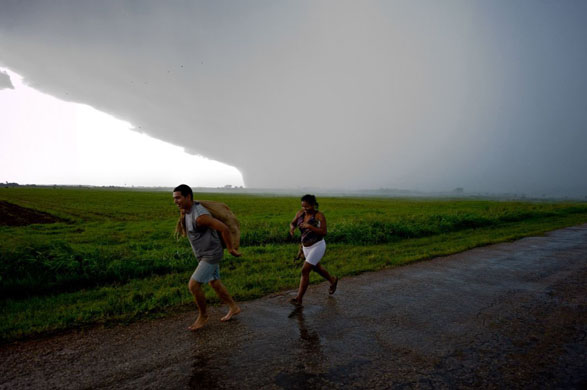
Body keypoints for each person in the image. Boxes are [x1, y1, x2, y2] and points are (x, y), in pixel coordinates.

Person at [173, 184, 242, 331]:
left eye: (178, 198)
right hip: (203, 254)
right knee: (214, 282)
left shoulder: (200, 217)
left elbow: (224, 228)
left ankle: (203, 315)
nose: (175, 201)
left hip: (211, 255)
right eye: (174, 198)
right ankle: (233, 307)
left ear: (188, 197)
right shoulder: (186, 211)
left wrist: (230, 249)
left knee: (193, 285)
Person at [289, 194, 338, 306]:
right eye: (303, 206)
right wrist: (292, 229)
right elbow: (292, 223)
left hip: (317, 246)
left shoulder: (319, 216)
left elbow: (324, 232)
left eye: (307, 207)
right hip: (306, 247)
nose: (305, 209)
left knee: (305, 270)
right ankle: (332, 280)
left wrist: (310, 226)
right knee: (317, 268)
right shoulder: (300, 213)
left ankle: (299, 299)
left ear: (313, 205)